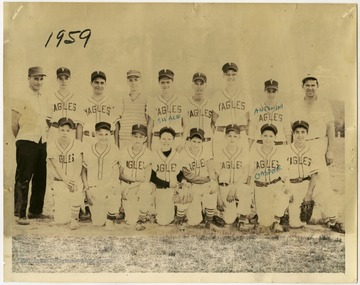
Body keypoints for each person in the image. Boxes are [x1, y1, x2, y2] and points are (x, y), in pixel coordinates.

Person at [290, 76, 344, 233]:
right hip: (300, 144)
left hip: (318, 144)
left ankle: (329, 218)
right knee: (300, 178)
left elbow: (330, 128)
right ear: (303, 86)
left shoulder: (324, 104)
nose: (310, 88)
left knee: (322, 181)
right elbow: (291, 127)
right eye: (307, 85)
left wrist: (330, 149)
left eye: (313, 85)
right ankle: (296, 211)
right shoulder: (296, 104)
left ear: (317, 86)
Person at [12, 66, 50, 225]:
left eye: (41, 79)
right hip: (27, 140)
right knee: (24, 177)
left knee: (41, 177)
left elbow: (46, 120)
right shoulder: (21, 96)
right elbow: (14, 122)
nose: (38, 82)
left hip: (42, 141)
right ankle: (20, 214)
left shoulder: (44, 97)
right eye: (36, 78)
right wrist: (21, 139)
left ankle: (35, 211)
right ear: (29, 78)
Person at [248, 124, 290, 233]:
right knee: (265, 224)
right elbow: (250, 173)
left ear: (275, 138)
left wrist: (287, 185)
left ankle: (277, 221)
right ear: (261, 137)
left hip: (275, 185)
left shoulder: (280, 152)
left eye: (271, 136)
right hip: (260, 187)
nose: (268, 138)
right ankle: (263, 218)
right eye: (265, 135)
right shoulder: (254, 152)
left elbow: (285, 172)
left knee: (285, 193)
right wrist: (250, 190)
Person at [82, 121, 121, 230]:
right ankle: (102, 212)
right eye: (100, 134)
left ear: (110, 134)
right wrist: (87, 189)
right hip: (94, 188)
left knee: (116, 188)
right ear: (95, 134)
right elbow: (83, 171)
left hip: (108, 187)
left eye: (106, 134)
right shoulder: (88, 149)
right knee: (98, 223)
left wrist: (112, 187)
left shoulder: (114, 149)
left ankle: (110, 218)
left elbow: (116, 172)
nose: (103, 137)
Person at [47, 117, 84, 230]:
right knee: (60, 221)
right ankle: (68, 212)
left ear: (72, 131)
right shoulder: (52, 144)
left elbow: (79, 164)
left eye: (68, 130)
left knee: (77, 189)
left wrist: (72, 180)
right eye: (62, 130)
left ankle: (75, 218)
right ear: (58, 130)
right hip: (60, 180)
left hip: (73, 180)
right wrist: (66, 180)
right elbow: (55, 165)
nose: (65, 133)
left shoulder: (77, 143)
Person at [214, 124, 252, 229]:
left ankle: (243, 219)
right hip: (224, 187)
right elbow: (215, 177)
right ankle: (229, 212)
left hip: (237, 186)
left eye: (235, 136)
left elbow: (245, 174)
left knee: (246, 189)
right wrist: (219, 199)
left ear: (239, 137)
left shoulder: (244, 152)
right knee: (229, 220)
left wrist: (234, 188)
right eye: (230, 135)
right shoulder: (219, 153)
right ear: (225, 137)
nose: (232, 138)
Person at [284, 120, 319, 228]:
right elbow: (283, 173)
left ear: (307, 134)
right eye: (297, 132)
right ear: (293, 134)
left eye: (303, 132)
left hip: (306, 184)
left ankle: (332, 219)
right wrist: (288, 188)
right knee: (295, 224)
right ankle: (286, 212)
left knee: (324, 193)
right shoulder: (285, 150)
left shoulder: (312, 150)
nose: (300, 135)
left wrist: (309, 193)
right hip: (291, 185)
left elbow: (314, 174)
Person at [182, 128, 219, 229]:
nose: (196, 144)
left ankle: (209, 219)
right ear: (189, 140)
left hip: (205, 183)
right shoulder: (183, 152)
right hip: (192, 185)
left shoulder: (206, 151)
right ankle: (197, 213)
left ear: (202, 142)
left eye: (199, 142)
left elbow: (211, 167)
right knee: (194, 221)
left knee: (212, 188)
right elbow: (188, 175)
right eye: (193, 141)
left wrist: (212, 180)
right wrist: (207, 179)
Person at [119, 124, 153, 230]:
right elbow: (119, 174)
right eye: (135, 136)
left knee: (146, 187)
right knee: (131, 221)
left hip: (139, 187)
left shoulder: (148, 153)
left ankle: (142, 216)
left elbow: (146, 179)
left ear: (145, 138)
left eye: (141, 137)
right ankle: (133, 212)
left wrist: (130, 186)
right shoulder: (123, 151)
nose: (137, 139)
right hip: (127, 186)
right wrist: (132, 181)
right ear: (131, 136)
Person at [211, 62, 252, 150]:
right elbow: (213, 121)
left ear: (237, 76)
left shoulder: (245, 95)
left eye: (233, 74)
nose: (230, 77)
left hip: (240, 133)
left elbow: (249, 119)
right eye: (228, 74)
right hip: (222, 133)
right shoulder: (217, 96)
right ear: (223, 76)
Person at [146, 69, 189, 152]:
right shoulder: (153, 101)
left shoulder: (182, 100)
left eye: (168, 82)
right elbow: (150, 125)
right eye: (162, 82)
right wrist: (148, 145)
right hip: (157, 139)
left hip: (176, 139)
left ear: (173, 82)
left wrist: (182, 142)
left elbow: (186, 124)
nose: (165, 85)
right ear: (159, 83)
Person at [77, 71, 122, 146]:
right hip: (89, 139)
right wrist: (78, 147)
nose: (99, 85)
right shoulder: (84, 102)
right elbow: (79, 127)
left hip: (107, 140)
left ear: (105, 84)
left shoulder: (112, 103)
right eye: (96, 82)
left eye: (102, 83)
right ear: (91, 83)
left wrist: (116, 146)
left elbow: (116, 126)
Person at [150, 127, 184, 226]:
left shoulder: (177, 155)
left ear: (173, 140)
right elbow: (152, 177)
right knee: (163, 221)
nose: (166, 141)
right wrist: (167, 184)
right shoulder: (154, 155)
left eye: (169, 139)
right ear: (159, 139)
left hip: (173, 190)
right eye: (164, 138)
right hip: (160, 189)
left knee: (184, 193)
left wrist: (178, 185)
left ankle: (179, 211)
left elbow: (180, 174)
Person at [248, 79, 291, 149]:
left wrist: (289, 147)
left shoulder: (284, 108)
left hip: (279, 145)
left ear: (277, 92)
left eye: (274, 91)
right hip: (260, 144)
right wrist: (249, 148)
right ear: (264, 91)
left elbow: (287, 131)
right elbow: (251, 131)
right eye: (268, 91)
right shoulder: (256, 108)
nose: (271, 94)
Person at [46, 67, 82, 142]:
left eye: (66, 78)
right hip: (55, 131)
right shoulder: (51, 97)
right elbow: (47, 120)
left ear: (70, 79)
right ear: (57, 79)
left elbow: (79, 123)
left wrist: (79, 142)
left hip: (71, 131)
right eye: (61, 78)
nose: (63, 81)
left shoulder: (77, 97)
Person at [119, 70, 149, 148]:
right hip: (124, 139)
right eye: (130, 80)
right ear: (127, 82)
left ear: (141, 81)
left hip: (140, 139)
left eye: (136, 80)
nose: (133, 83)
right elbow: (118, 121)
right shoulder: (122, 98)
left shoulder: (146, 99)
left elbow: (149, 122)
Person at [186, 72, 214, 154]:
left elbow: (214, 124)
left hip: (207, 142)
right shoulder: (185, 103)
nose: (199, 86)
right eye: (196, 83)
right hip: (190, 142)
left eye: (201, 83)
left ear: (205, 85)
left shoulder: (211, 103)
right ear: (192, 85)